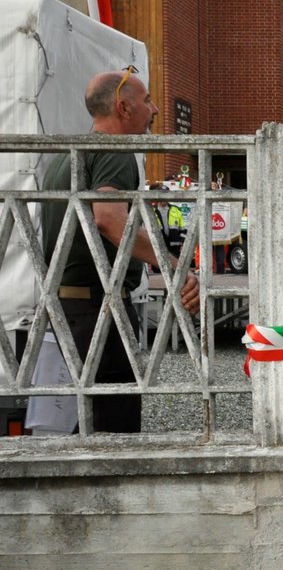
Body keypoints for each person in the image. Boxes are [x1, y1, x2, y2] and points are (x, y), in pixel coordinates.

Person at [39, 69, 200, 433]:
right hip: (99, 302)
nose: (155, 109)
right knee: (115, 423)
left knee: (85, 419)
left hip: (68, 302)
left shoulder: (70, 154)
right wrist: (173, 265)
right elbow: (110, 220)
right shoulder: (114, 151)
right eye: (147, 101)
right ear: (123, 107)